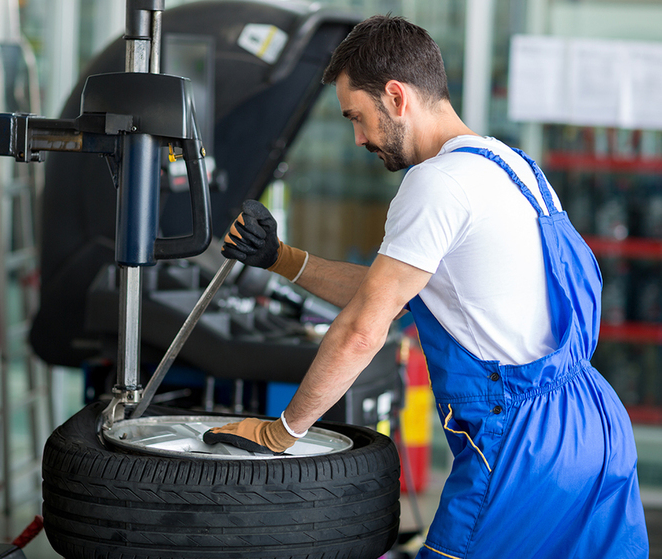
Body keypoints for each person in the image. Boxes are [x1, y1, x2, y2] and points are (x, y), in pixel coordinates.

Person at [203, 14, 649, 558]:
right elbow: (389, 292)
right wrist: (281, 258)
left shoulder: (435, 182)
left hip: (521, 446)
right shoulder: (512, 165)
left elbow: (365, 329)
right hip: (594, 424)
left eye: (358, 117)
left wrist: (282, 432)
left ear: (395, 96)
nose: (359, 136)